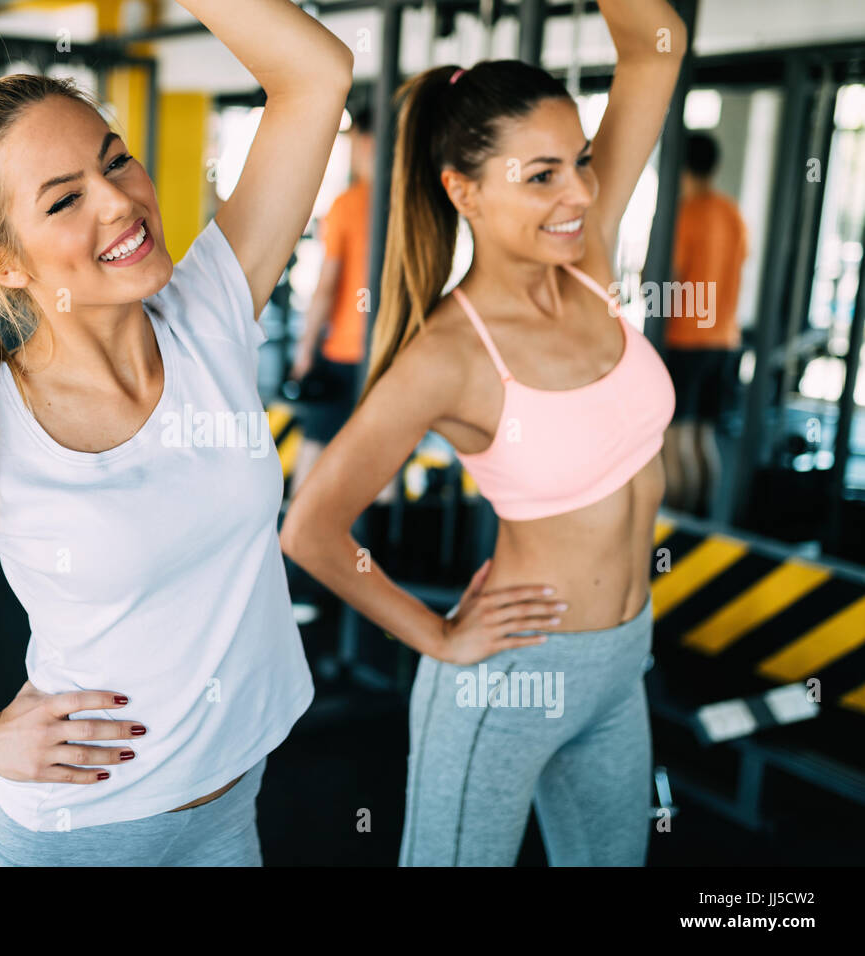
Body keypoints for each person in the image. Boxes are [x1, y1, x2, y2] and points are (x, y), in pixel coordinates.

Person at [0, 0, 354, 866]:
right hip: (64, 837)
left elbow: (316, 73)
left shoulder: (210, 309)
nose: (122, 202)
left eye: (116, 159)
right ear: (5, 264)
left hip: (230, 808)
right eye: (65, 200)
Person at [281, 0, 684, 866]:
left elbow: (656, 47)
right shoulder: (451, 356)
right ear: (463, 189)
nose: (579, 190)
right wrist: (437, 634)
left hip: (622, 660)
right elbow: (310, 528)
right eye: (541, 175)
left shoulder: (589, 262)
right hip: (509, 677)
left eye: (580, 162)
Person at [288, 105, 373, 500]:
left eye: (354, 139)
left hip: (344, 352)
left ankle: (293, 545)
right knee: (379, 455)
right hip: (391, 352)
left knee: (316, 444)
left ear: (366, 141)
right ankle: (377, 551)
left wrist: (305, 351)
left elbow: (327, 286)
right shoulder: (412, 204)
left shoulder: (349, 204)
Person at [663, 132, 747, 519]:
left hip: (686, 339)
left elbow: (672, 277)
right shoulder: (732, 213)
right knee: (703, 436)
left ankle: (679, 529)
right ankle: (704, 523)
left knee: (674, 437)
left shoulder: (686, 213)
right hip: (725, 340)